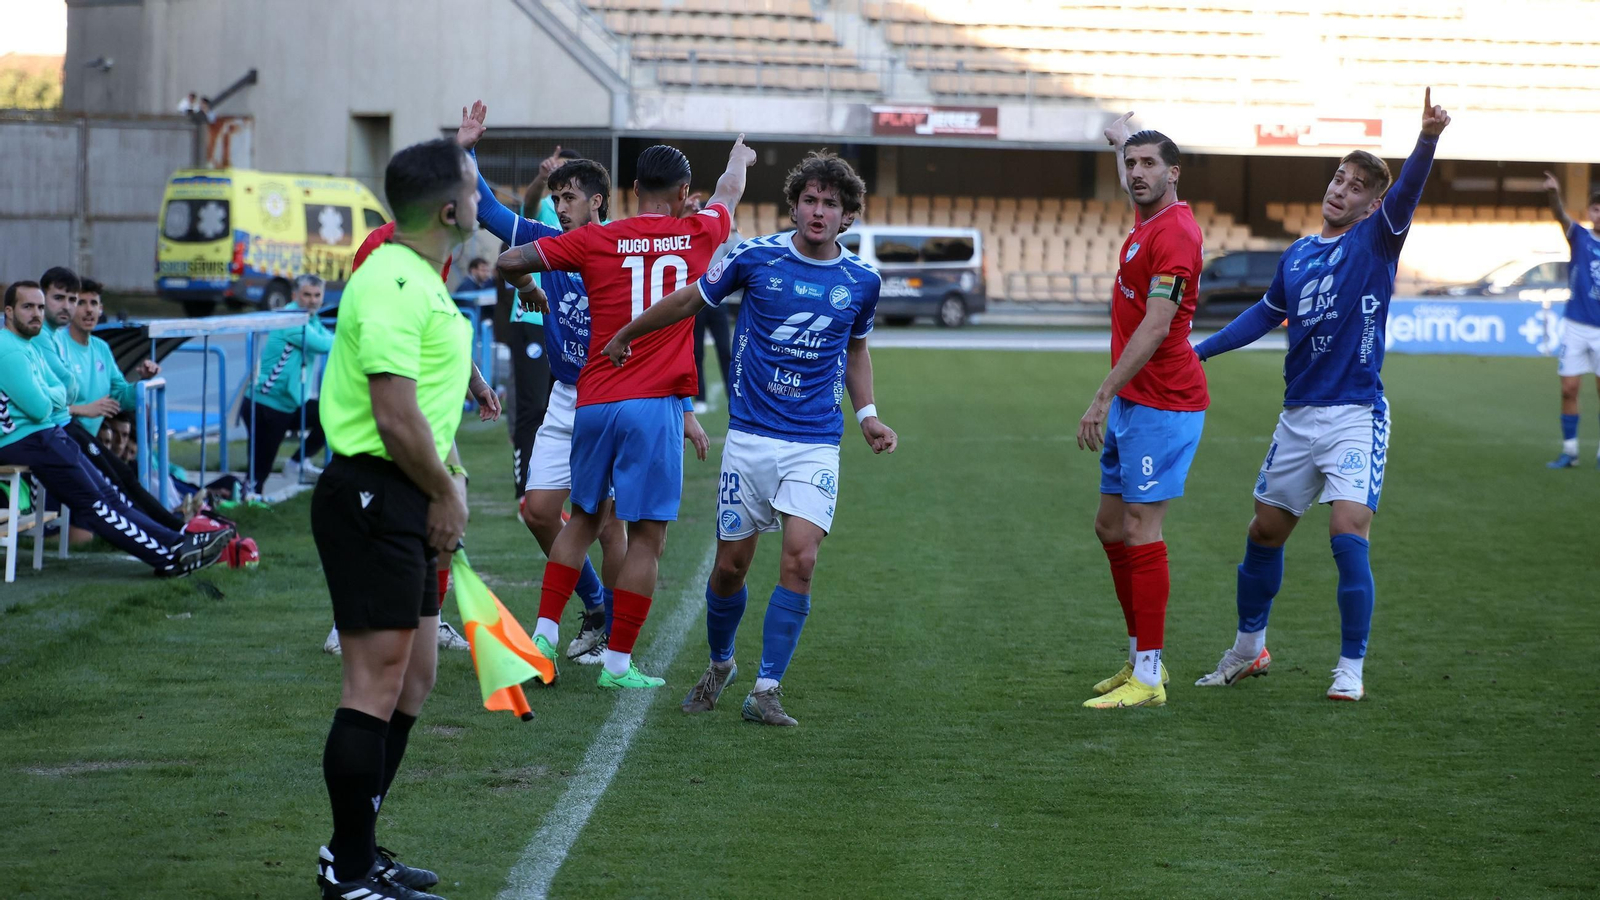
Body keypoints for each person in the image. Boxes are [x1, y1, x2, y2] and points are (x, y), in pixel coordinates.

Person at [603, 150, 897, 725]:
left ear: (847, 216)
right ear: (793, 206)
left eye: (830, 203)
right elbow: (690, 299)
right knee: (731, 567)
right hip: (751, 438)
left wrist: (867, 415)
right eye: (809, 200)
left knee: (802, 560)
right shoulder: (752, 257)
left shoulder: (862, 281)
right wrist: (629, 333)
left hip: (814, 441)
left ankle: (766, 688)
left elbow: (856, 350)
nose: (818, 211)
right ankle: (721, 662)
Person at [1191, 90, 1452, 702]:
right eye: (1340, 178)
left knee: (1346, 529)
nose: (1342, 189)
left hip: (1355, 414)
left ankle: (1350, 667)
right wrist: (1197, 353)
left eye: (1358, 186)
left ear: (1371, 204)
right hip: (1298, 417)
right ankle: (1248, 650)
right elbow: (1262, 316)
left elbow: (1408, 193)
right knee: (1264, 534)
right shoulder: (1299, 255)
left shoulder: (1378, 241)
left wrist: (1428, 140)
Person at [498, 136, 754, 688]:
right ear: (684, 193)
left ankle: (542, 632)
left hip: (591, 400)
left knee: (585, 518)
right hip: (653, 403)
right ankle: (617, 665)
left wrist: (527, 287)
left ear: (633, 190)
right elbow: (729, 192)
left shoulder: (595, 237)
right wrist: (739, 157)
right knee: (646, 538)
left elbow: (508, 258)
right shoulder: (699, 231)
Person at [309, 137, 483, 900]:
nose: (481, 201)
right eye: (475, 188)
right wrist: (445, 490)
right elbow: (392, 413)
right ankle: (348, 874)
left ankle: (359, 847)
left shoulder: (422, 276)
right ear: (450, 210)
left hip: (406, 492)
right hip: (376, 493)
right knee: (373, 686)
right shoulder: (389, 278)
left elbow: (423, 407)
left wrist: (445, 481)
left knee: (415, 678)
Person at [455, 101, 634, 664]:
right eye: (555, 198)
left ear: (597, 201)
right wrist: (466, 149)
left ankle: (614, 639)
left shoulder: (625, 249)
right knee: (536, 511)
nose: (559, 207)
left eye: (570, 198)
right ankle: (597, 604)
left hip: (610, 399)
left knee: (605, 524)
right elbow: (484, 208)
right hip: (563, 399)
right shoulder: (543, 241)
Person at [1075, 116, 1208, 710]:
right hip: (1136, 401)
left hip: (1163, 401)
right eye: (1131, 165)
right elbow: (1133, 164)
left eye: (1149, 164)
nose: (1136, 174)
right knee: (1110, 527)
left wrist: (1102, 394)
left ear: (1174, 172)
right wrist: (1123, 134)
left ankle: (1149, 675)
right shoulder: (1147, 218)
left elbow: (1157, 324)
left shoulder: (1175, 233)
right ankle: (1138, 656)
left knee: (1139, 530)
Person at [0, 282, 227, 577]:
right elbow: (43, 406)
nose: (36, 314)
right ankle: (170, 559)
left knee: (112, 495)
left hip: (47, 433)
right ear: (9, 311)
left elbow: (63, 391)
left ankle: (178, 542)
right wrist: (51, 394)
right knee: (98, 506)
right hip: (28, 439)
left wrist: (50, 394)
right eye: (27, 307)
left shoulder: (28, 345)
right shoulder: (9, 350)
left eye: (40, 307)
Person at [54, 277, 184, 532]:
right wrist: (83, 409)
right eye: (81, 303)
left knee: (125, 478)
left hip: (86, 443)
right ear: (69, 308)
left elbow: (121, 395)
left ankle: (171, 528)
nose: (89, 309)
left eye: (94, 303)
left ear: (101, 309)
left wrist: (142, 381)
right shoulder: (57, 345)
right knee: (122, 482)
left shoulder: (101, 349)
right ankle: (169, 531)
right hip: (63, 440)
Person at [240, 274, 334, 494]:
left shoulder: (310, 318)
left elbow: (327, 337)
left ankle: (297, 463)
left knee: (329, 415)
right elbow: (324, 343)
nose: (312, 300)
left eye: (317, 295)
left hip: (287, 403)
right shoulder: (290, 318)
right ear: (295, 295)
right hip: (266, 403)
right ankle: (249, 499)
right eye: (307, 295)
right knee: (260, 467)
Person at [1539, 171, 1600, 469]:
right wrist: (1553, 193)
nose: (1599, 214)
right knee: (1569, 389)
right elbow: (1560, 215)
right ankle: (1570, 451)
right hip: (1576, 325)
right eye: (1596, 208)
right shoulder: (1579, 235)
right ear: (1589, 211)